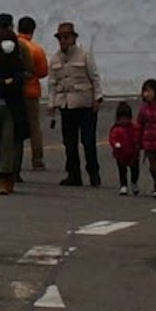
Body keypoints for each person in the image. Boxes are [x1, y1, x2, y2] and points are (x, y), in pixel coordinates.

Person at [0, 25, 34, 196]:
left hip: (11, 108)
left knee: (8, 141)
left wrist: (0, 83)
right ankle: (0, 172)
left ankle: (5, 177)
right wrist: (3, 83)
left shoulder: (18, 61)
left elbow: (18, 81)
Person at [50, 21, 105, 188]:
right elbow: (52, 83)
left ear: (73, 38)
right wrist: (52, 103)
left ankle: (93, 173)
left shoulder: (85, 55)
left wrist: (98, 98)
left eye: (66, 37)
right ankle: (73, 174)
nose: (63, 41)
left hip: (85, 104)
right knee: (69, 143)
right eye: (61, 38)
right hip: (66, 106)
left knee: (88, 141)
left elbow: (95, 77)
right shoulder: (54, 59)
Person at [15, 16, 52, 174]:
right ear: (33, 30)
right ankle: (37, 160)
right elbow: (43, 72)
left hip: (13, 91)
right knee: (34, 127)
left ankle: (12, 159)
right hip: (31, 91)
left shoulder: (12, 45)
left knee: (13, 126)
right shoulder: (36, 49)